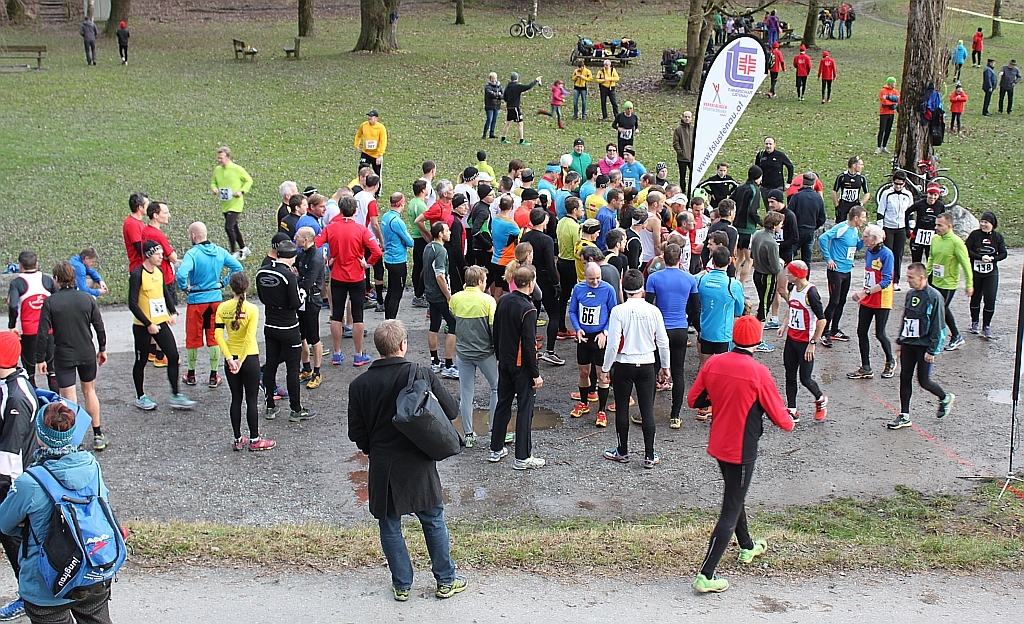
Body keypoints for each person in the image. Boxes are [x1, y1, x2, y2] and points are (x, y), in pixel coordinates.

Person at [347, 320, 465, 600]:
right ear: (403, 345)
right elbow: (450, 410)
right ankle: (446, 580)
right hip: (419, 458)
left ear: (378, 348)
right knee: (433, 519)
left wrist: (372, 448)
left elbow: (357, 433)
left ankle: (401, 584)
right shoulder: (420, 373)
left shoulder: (359, 385)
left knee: (389, 524)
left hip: (383, 463)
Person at [688, 315, 793, 593]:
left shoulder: (714, 363)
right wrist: (790, 417)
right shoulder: (759, 373)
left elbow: (694, 400)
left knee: (736, 494)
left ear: (734, 337)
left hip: (719, 444)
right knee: (731, 508)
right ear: (758, 341)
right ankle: (706, 574)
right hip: (742, 449)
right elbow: (783, 421)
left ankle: (747, 546)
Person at [0, 401, 117, 622]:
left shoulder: (29, 482)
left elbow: (5, 524)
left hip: (46, 582)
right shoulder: (92, 465)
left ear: (39, 435)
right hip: (92, 568)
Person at [34, 261, 108, 451]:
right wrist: (102, 348)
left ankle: (73, 439)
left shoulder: (50, 302)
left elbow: (43, 333)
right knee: (89, 391)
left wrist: (40, 358)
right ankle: (98, 434)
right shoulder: (87, 299)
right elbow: (99, 325)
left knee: (68, 398)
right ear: (74, 278)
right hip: (86, 351)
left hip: (63, 354)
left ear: (56, 279)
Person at [601, 269, 670, 468]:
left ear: (624, 287)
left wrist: (606, 368)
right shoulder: (653, 311)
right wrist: (665, 366)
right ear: (643, 287)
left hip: (624, 364)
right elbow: (662, 342)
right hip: (647, 363)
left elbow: (613, 343)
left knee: (622, 407)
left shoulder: (619, 311)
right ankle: (649, 454)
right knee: (647, 408)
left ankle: (622, 451)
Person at [315, 196, 382, 367]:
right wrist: (366, 264)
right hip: (357, 277)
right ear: (356, 211)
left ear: (340, 209)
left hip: (337, 276)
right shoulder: (361, 230)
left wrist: (326, 260)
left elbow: (316, 245)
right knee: (358, 316)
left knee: (336, 315)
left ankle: (337, 353)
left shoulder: (331, 228)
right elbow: (376, 251)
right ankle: (358, 354)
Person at [129, 241, 196, 411]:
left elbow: (164, 294)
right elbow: (132, 304)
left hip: (160, 322)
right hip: (143, 326)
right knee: (141, 360)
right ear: (149, 254)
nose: (162, 257)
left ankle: (175, 394)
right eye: (158, 254)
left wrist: (172, 311)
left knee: (173, 356)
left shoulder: (158, 272)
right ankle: (140, 396)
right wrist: (148, 324)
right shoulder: (137, 275)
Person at [176, 222, 243, 388]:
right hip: (215, 300)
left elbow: (181, 274)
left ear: (193, 236)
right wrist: (223, 283)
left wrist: (185, 287)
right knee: (214, 336)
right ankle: (214, 376)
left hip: (196, 301)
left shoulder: (192, 254)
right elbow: (238, 267)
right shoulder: (219, 251)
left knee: (193, 338)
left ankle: (191, 374)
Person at [490, 266, 545, 469]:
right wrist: (535, 374)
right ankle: (522, 456)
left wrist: (498, 357)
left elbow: (496, 331)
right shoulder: (529, 309)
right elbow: (530, 345)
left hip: (504, 362)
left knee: (503, 404)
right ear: (531, 283)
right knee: (525, 409)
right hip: (521, 367)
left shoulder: (503, 300)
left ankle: (496, 448)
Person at [0, 330, 38, 621]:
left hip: (11, 482)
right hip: (10, 478)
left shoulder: (16, 398)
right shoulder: (11, 383)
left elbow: (10, 456)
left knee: (14, 540)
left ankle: (28, 597)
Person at [890, 262, 954, 429]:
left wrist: (933, 350)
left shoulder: (934, 297)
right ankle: (904, 415)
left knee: (923, 381)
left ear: (921, 277)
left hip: (925, 345)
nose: (908, 280)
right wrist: (900, 341)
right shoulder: (910, 294)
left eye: (911, 278)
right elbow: (907, 317)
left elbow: (938, 325)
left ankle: (944, 397)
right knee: (905, 377)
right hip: (909, 343)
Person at [255, 240, 313, 423]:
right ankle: (296, 409)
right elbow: (296, 303)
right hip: (288, 326)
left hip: (270, 325)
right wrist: (302, 291)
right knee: (292, 368)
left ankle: (270, 406)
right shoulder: (289, 276)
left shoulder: (262, 271)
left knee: (271, 365)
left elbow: (262, 297)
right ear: (292, 257)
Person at [215, 272, 275, 451]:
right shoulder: (252, 309)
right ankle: (255, 439)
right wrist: (241, 360)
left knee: (235, 398)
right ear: (247, 287)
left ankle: (237, 438)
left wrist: (229, 358)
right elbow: (249, 337)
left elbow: (218, 335)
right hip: (248, 358)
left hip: (230, 358)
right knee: (251, 399)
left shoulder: (222, 308)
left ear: (231, 288)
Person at [645, 244, 699, 428]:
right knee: (678, 372)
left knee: (653, 371)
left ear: (663, 258)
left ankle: (647, 413)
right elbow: (695, 307)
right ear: (680, 258)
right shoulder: (690, 279)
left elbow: (649, 306)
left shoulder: (653, 278)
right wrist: (689, 322)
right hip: (680, 329)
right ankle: (675, 415)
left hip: (660, 330)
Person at [694, 247, 746, 420]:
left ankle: (703, 406)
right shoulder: (734, 284)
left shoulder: (701, 279)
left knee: (705, 368)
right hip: (723, 334)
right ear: (730, 261)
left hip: (704, 331)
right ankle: (720, 405)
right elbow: (739, 310)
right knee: (723, 371)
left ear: (712, 261)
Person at [775, 260, 829, 424]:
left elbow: (822, 320)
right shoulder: (793, 289)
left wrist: (813, 343)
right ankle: (792, 410)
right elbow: (792, 308)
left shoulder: (811, 293)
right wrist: (784, 325)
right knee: (789, 375)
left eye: (789, 273)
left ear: (797, 275)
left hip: (805, 342)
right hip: (792, 339)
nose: (786, 275)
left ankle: (820, 398)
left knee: (805, 378)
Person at [449, 266, 497, 449]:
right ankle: (494, 430)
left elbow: (454, 315)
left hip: (463, 353)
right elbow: (493, 329)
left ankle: (468, 434)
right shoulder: (488, 301)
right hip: (485, 353)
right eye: (484, 280)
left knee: (466, 393)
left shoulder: (455, 299)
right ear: (479, 282)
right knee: (496, 388)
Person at [568, 263, 618, 428]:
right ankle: (584, 403)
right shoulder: (578, 288)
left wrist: (605, 332)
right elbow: (573, 311)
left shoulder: (608, 289)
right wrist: (578, 329)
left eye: (598, 278)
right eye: (591, 279)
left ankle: (602, 410)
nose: (595, 282)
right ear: (585, 277)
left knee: (601, 373)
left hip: (600, 338)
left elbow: (614, 313)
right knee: (583, 372)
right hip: (584, 338)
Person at [848, 225, 896, 379]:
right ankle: (866, 367)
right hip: (867, 298)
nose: (863, 239)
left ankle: (890, 361)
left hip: (881, 299)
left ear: (875, 239)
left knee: (880, 333)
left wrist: (865, 292)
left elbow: (886, 281)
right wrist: (865, 293)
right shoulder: (869, 251)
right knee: (861, 331)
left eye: (866, 236)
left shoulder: (887, 254)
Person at [6, 250, 57, 391]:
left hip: (27, 331)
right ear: (36, 264)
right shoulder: (47, 280)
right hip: (48, 330)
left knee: (30, 370)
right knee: (52, 370)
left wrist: (12, 325)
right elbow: (57, 300)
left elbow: (12, 305)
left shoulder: (17, 283)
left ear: (20, 266)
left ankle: (33, 400)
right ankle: (58, 404)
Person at [818, 205, 866, 348]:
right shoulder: (842, 227)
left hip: (847, 270)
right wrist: (828, 258)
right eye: (863, 217)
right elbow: (822, 238)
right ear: (856, 218)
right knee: (834, 301)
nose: (864, 220)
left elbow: (856, 247)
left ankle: (834, 329)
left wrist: (863, 240)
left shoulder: (855, 230)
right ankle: (823, 332)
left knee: (842, 301)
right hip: (836, 271)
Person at [521, 209, 563, 366]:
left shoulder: (526, 236)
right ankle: (550, 351)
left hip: (530, 277)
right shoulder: (546, 240)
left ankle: (531, 347)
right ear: (544, 220)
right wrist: (556, 283)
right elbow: (550, 265)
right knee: (554, 314)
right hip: (545, 279)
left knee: (533, 312)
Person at [927, 212, 973, 351]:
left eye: (940, 225)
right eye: (936, 224)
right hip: (935, 280)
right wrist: (925, 274)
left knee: (940, 310)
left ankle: (952, 336)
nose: (937, 228)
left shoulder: (957, 242)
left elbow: (966, 264)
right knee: (941, 310)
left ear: (949, 226)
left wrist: (969, 284)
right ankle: (955, 336)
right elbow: (931, 257)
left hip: (948, 283)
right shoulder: (935, 239)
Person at [423, 223, 459, 379]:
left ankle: (435, 361)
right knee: (453, 325)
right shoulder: (441, 251)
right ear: (439, 234)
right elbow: (440, 275)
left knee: (434, 325)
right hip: (440, 295)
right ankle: (449, 365)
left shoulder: (428, 247)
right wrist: (448, 296)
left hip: (430, 294)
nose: (449, 232)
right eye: (446, 230)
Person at [966, 212, 1006, 339]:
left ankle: (986, 325)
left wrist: (993, 259)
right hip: (976, 272)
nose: (983, 224)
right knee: (975, 297)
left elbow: (1003, 253)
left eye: (986, 222)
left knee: (990, 299)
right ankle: (974, 323)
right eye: (982, 221)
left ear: (992, 225)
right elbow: (966, 250)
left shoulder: (997, 237)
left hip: (991, 273)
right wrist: (980, 257)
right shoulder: (975, 235)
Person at [295, 226, 325, 389]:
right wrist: (299, 277)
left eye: (298, 236)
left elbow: (306, 282)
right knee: (301, 335)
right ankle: (306, 368)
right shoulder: (301, 254)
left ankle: (317, 371)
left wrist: (298, 278)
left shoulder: (315, 257)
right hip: (301, 301)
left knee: (314, 337)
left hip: (312, 300)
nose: (295, 238)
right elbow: (298, 275)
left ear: (306, 240)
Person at [210, 146, 253, 259]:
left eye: (221, 158)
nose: (219, 160)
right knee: (234, 227)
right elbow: (214, 182)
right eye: (218, 158)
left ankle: (233, 252)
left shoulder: (236, 169)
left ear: (228, 157)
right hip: (225, 204)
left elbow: (248, 180)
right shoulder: (217, 170)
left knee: (228, 227)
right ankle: (244, 248)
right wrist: (214, 188)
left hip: (235, 203)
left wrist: (242, 191)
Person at [751, 212, 784, 353]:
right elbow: (776, 268)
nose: (782, 226)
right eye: (781, 224)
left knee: (762, 305)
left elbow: (752, 255)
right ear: (775, 225)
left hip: (757, 273)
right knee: (764, 307)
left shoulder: (757, 234)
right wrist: (782, 263)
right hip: (768, 277)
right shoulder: (772, 243)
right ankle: (758, 340)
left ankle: (755, 335)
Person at [877, 170, 914, 289]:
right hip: (888, 227)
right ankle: (885, 278)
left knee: (898, 254)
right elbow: (880, 212)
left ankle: (895, 280)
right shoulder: (886, 194)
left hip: (901, 228)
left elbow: (910, 213)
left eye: (900, 184)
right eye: (896, 184)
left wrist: (911, 228)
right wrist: (881, 229)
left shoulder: (908, 195)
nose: (898, 186)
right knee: (888, 254)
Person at [381, 192, 415, 320]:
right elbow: (410, 242)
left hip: (389, 258)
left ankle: (387, 319)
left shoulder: (385, 217)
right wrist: (403, 241)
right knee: (396, 293)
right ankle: (391, 322)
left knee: (391, 291)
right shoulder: (397, 221)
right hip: (398, 261)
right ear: (401, 203)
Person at [729, 165, 763, 284]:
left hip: (737, 227)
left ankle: (732, 281)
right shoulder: (755, 191)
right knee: (749, 260)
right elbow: (752, 211)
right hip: (748, 229)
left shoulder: (740, 188)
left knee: (740, 258)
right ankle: (741, 286)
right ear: (758, 177)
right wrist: (761, 222)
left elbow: (731, 201)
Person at [788, 172, 827, 274]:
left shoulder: (796, 197)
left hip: (797, 231)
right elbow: (822, 218)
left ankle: (790, 281)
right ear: (814, 184)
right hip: (810, 231)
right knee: (807, 261)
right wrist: (814, 226)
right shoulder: (818, 198)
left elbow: (789, 214)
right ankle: (805, 281)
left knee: (790, 257)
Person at [406, 179, 431, 308]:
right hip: (421, 238)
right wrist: (428, 236)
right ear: (422, 190)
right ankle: (419, 294)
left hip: (416, 237)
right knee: (423, 267)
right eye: (426, 188)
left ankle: (417, 292)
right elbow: (421, 223)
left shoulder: (412, 202)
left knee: (417, 265)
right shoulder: (421, 205)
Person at [907, 183, 945, 263]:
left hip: (932, 237)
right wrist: (908, 229)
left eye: (935, 195)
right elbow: (907, 213)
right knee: (916, 262)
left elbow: (943, 219)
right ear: (927, 193)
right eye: (930, 194)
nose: (932, 197)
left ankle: (930, 276)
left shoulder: (940, 206)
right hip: (918, 235)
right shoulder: (920, 204)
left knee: (931, 261)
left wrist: (941, 233)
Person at [500, 72, 541, 146]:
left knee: (508, 122)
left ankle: (503, 138)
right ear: (517, 78)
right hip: (515, 107)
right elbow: (528, 86)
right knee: (520, 123)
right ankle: (521, 140)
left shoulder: (508, 86)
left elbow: (504, 97)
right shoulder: (517, 86)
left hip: (509, 107)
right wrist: (536, 80)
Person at [754, 137, 794, 210]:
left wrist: (789, 182)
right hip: (764, 187)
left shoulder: (780, 155)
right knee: (769, 209)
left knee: (778, 208)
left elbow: (790, 167)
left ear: (774, 144)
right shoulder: (760, 155)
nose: (768, 146)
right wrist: (757, 182)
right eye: (766, 144)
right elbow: (756, 169)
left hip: (777, 186)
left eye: (770, 144)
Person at [832, 156, 870, 223]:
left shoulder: (861, 178)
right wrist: (836, 206)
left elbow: (867, 193)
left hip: (855, 203)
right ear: (854, 165)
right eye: (860, 164)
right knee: (840, 224)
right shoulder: (842, 176)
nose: (862, 166)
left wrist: (861, 203)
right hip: (843, 203)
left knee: (855, 223)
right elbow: (834, 191)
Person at [354, 109, 388, 181]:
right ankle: (362, 187)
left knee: (377, 175)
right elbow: (358, 135)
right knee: (362, 170)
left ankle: (377, 191)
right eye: (369, 116)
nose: (369, 118)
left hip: (376, 155)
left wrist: (380, 155)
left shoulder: (381, 128)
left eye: (371, 116)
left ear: (376, 118)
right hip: (365, 153)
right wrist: (356, 146)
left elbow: (383, 141)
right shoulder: (364, 125)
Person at [876, 77, 900, 154]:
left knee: (888, 130)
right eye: (894, 82)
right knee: (882, 130)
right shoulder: (883, 91)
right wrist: (893, 103)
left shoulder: (895, 91)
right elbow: (884, 102)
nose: (895, 84)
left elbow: (898, 99)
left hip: (891, 113)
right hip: (884, 113)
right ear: (890, 83)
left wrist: (891, 101)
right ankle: (879, 146)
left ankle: (884, 146)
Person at [672, 112, 694, 191]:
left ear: (691, 118)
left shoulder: (693, 128)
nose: (687, 118)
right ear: (682, 117)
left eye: (689, 117)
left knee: (693, 175)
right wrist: (680, 152)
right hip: (682, 158)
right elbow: (675, 142)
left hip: (692, 157)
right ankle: (683, 191)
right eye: (685, 117)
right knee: (682, 176)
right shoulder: (678, 129)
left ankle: (692, 189)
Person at [483, 72, 503, 139]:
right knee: (489, 120)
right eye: (493, 78)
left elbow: (503, 95)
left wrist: (498, 95)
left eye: (495, 78)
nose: (494, 80)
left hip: (497, 106)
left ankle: (492, 133)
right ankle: (484, 134)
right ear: (490, 79)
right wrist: (498, 94)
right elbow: (491, 94)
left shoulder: (499, 86)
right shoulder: (488, 87)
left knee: (494, 120)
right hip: (489, 106)